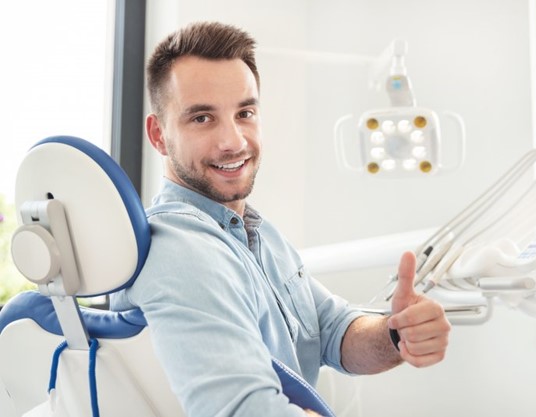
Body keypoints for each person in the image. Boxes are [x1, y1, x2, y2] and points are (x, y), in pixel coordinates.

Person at [111, 21, 451, 417]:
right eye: (202, 118)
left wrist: (396, 333)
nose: (234, 141)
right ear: (157, 135)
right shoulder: (180, 249)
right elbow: (242, 410)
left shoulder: (258, 234)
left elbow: (333, 331)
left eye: (245, 112)